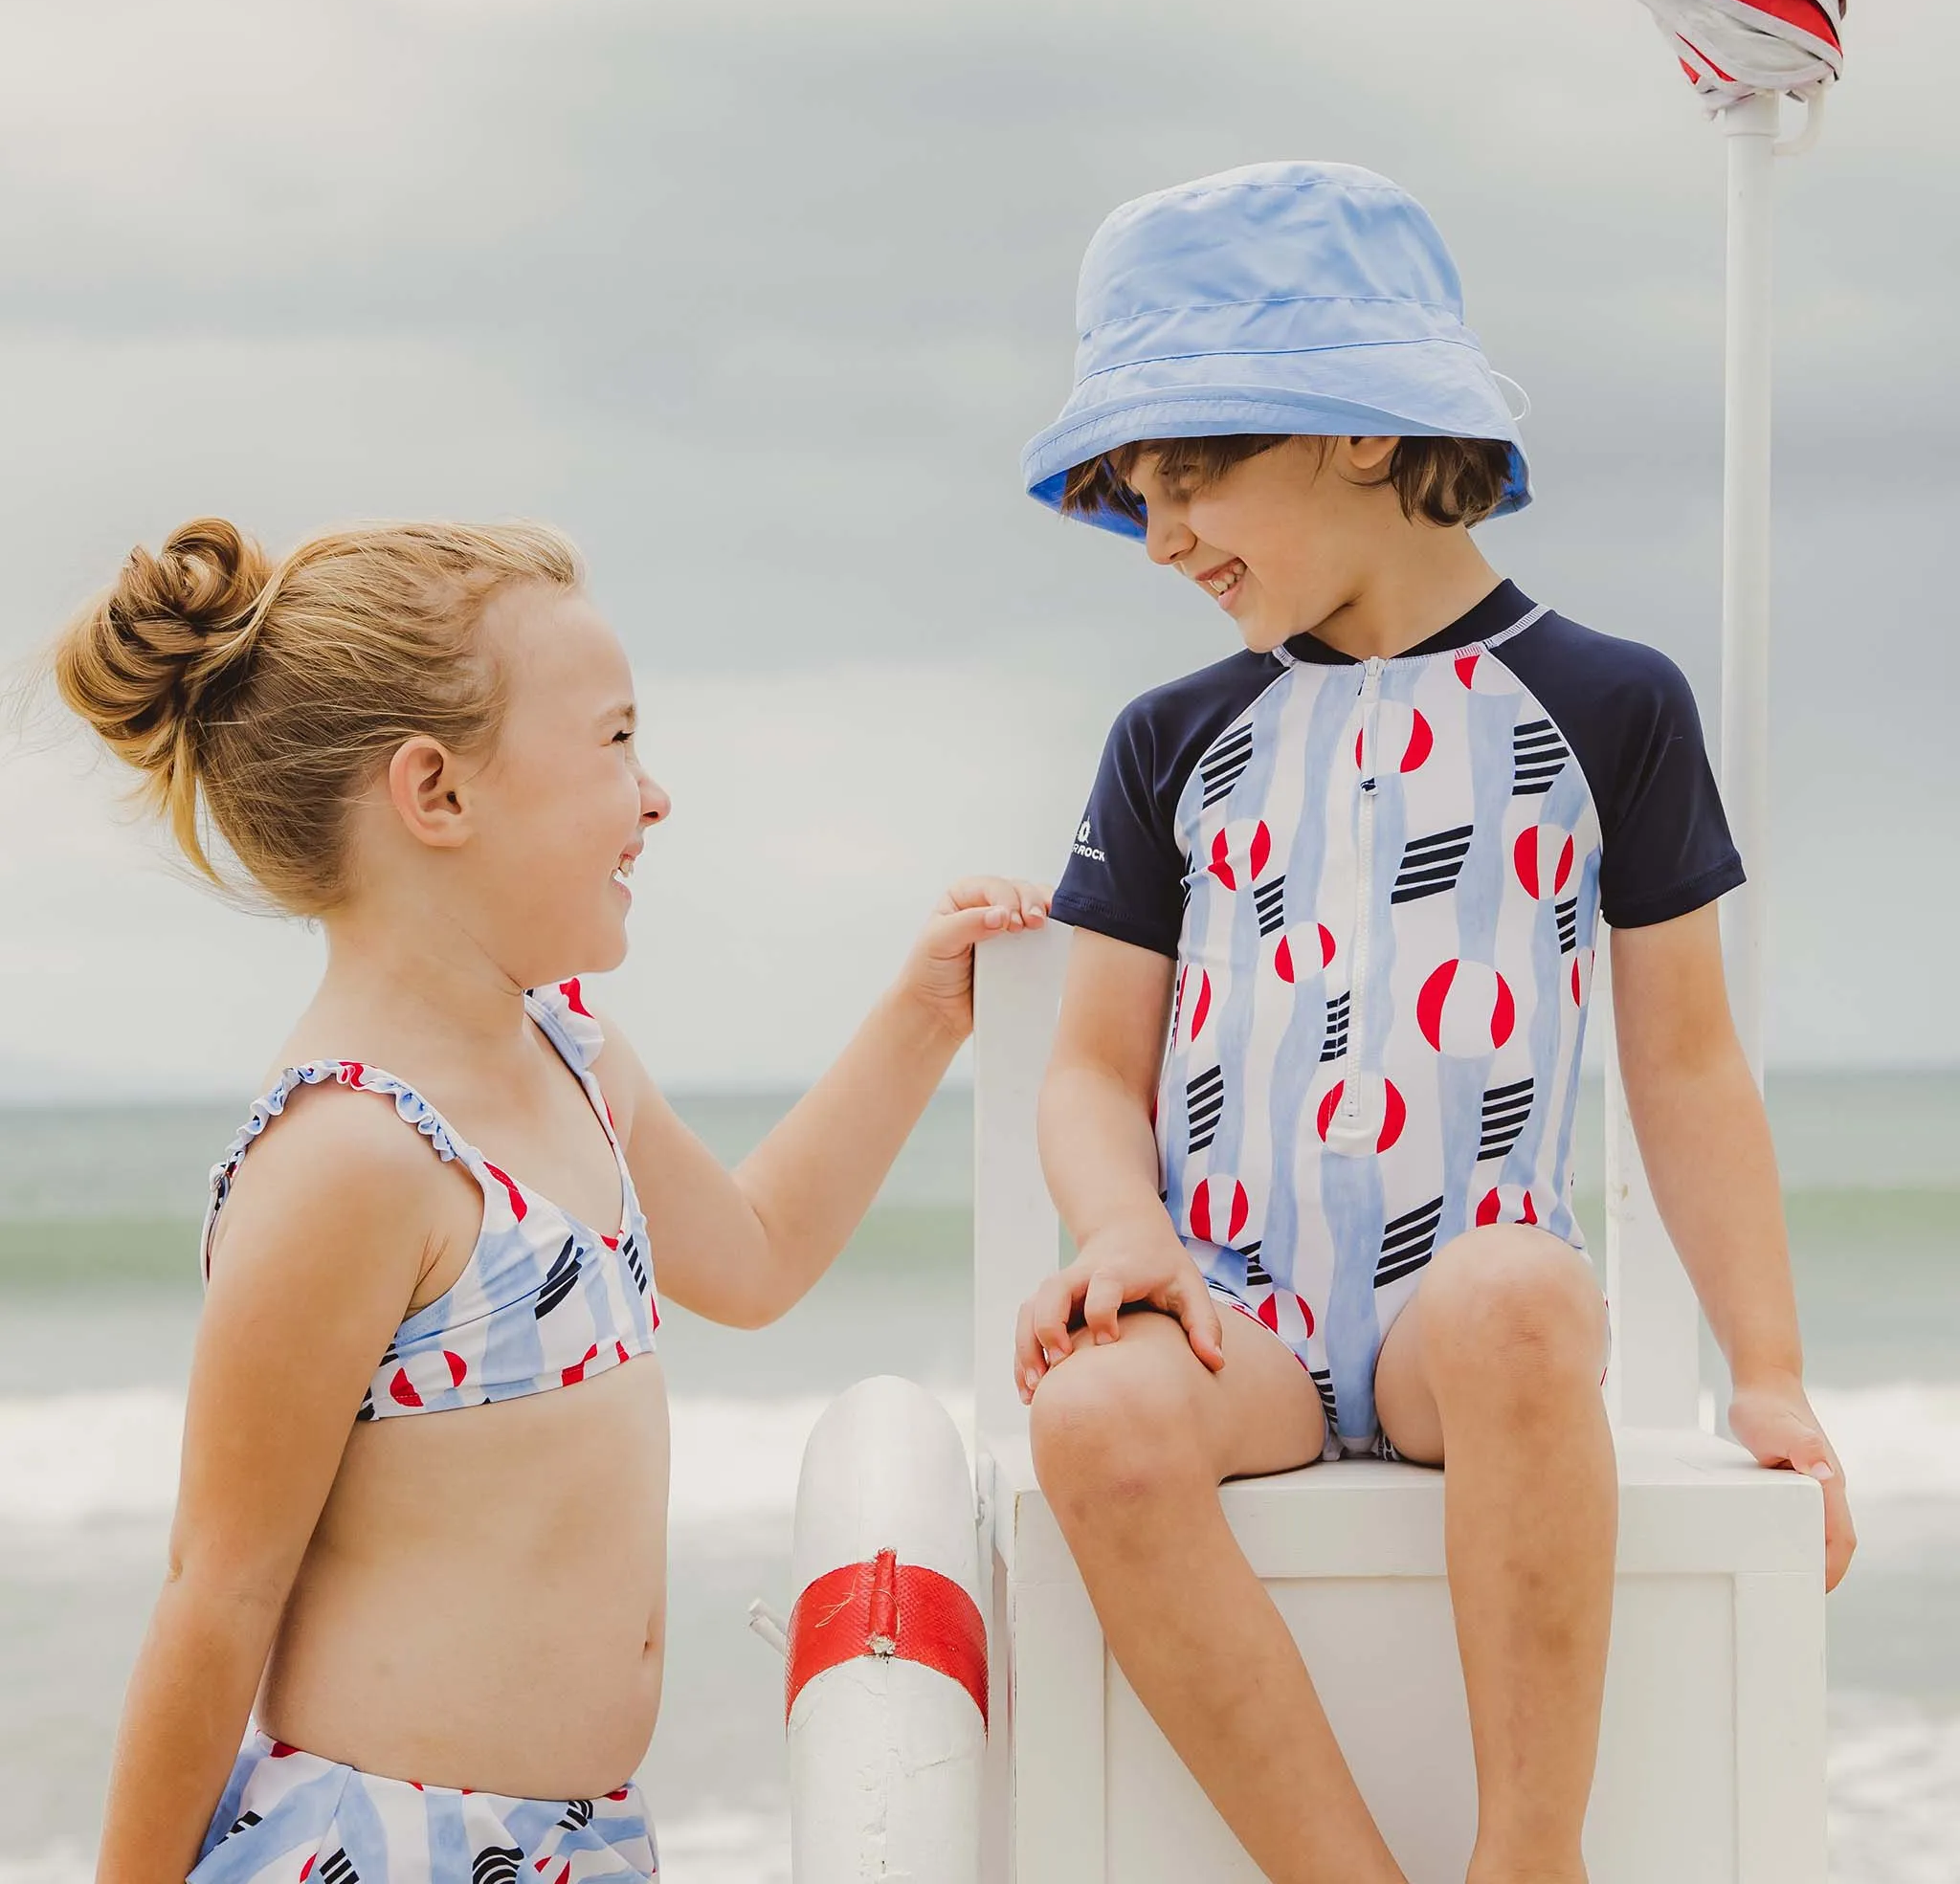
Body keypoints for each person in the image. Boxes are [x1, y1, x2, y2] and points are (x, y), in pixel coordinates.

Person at [1011, 163, 1855, 1884]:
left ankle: (1527, 1859)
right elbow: (1094, 1064)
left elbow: (1685, 1063)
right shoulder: (1173, 735)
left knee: (1532, 1294)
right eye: (1136, 493)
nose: (1160, 535)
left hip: (1463, 1327)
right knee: (1095, 1419)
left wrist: (1770, 1374)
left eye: (1193, 475)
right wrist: (1122, 1233)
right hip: (1229, 1312)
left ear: (1368, 435)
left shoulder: (1608, 702)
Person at [53, 518, 1048, 1884]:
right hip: (390, 1848)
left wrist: (924, 1020)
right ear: (437, 792)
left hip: (582, 1844)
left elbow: (756, 1258)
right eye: (616, 741)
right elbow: (217, 1594)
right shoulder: (350, 1156)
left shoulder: (575, 1063)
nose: (656, 797)